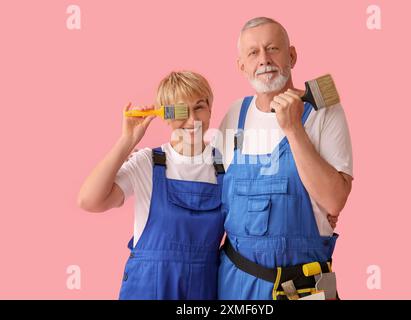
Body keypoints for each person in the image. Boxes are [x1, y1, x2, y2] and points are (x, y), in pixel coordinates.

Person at [215, 17, 353, 300]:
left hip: (305, 286)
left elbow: (334, 200)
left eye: (273, 49)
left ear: (291, 55)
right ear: (241, 66)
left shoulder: (324, 111)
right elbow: (218, 197)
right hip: (235, 285)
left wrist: (293, 129)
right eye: (253, 53)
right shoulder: (234, 115)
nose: (264, 59)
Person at [77, 71, 225, 300]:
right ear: (165, 117)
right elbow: (89, 201)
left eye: (199, 107)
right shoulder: (148, 162)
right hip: (147, 286)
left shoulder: (225, 165)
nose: (193, 120)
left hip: (203, 288)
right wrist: (127, 141)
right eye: (180, 111)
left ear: (210, 108)